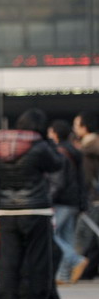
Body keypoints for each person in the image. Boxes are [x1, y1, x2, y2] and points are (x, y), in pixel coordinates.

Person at [0, 108, 62, 299]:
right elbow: (57, 164)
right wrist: (51, 143)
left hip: (6, 211)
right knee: (39, 261)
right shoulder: (39, 146)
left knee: (8, 261)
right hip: (36, 209)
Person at [47, 119, 88, 284]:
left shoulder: (60, 152)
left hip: (61, 201)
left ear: (55, 134)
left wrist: (50, 200)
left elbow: (59, 181)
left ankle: (76, 260)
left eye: (50, 132)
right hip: (73, 200)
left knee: (52, 235)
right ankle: (63, 276)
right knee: (67, 236)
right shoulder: (74, 150)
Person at [73, 111, 99, 280]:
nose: (74, 129)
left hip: (93, 198)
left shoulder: (90, 147)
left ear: (85, 127)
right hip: (92, 197)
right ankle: (87, 271)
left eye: (76, 125)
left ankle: (76, 268)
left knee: (84, 235)